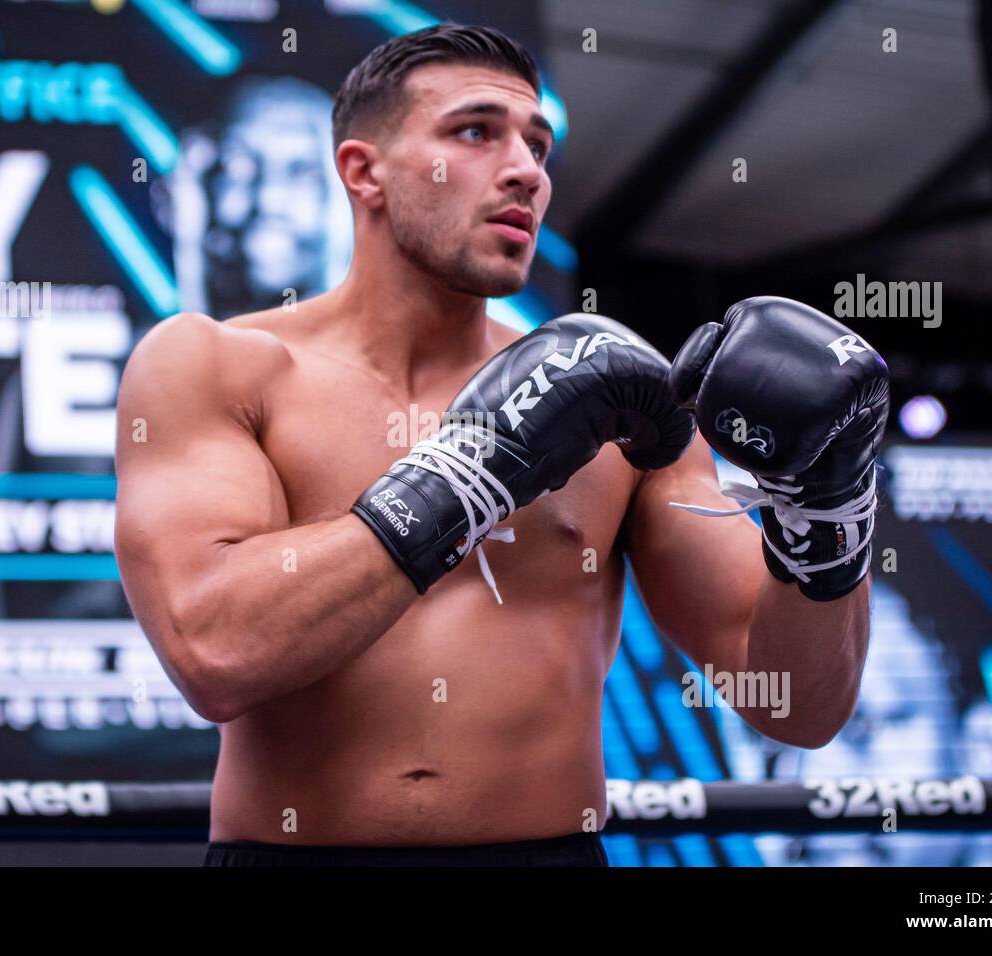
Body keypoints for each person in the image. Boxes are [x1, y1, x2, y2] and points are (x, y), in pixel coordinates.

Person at [114, 23, 890, 867]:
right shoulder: (216, 364)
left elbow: (797, 707)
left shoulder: (620, 401)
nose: (526, 169)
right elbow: (214, 654)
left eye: (538, 143)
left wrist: (828, 510)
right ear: (362, 171)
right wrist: (475, 467)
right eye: (476, 132)